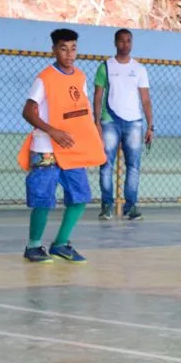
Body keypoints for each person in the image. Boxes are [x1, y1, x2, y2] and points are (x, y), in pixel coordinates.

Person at [17, 28, 106, 263]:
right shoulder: (44, 78)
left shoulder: (80, 77)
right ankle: (33, 246)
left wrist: (94, 133)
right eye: (63, 48)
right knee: (43, 198)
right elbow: (28, 111)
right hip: (46, 146)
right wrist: (52, 131)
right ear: (54, 50)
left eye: (73, 48)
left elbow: (83, 111)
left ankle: (60, 244)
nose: (69, 53)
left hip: (71, 147)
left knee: (80, 196)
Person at [94, 29, 154, 221]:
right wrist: (96, 122)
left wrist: (150, 125)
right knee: (106, 165)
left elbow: (145, 99)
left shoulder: (139, 69)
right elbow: (97, 96)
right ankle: (107, 206)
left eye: (129, 41)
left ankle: (130, 207)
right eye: (121, 41)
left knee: (133, 166)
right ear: (115, 43)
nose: (125, 44)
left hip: (134, 122)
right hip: (109, 121)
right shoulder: (106, 67)